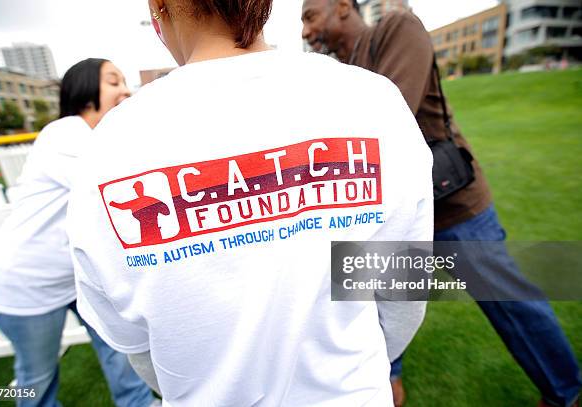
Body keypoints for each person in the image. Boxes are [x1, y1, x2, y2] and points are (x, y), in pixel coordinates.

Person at [65, 0, 433, 405]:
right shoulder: (369, 98)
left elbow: (131, 339)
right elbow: (402, 283)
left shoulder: (110, 144)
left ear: (158, 7)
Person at [300, 1, 581, 407]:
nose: (306, 32)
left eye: (310, 17)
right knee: (380, 303)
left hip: (451, 204)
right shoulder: (342, 68)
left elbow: (386, 122)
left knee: (510, 303)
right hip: (392, 217)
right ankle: (386, 381)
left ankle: (565, 391)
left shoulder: (395, 28)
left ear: (343, 7)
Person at [0, 58, 158, 407]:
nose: (125, 89)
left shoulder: (100, 137)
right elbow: (113, 188)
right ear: (85, 89)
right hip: (24, 285)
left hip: (74, 279)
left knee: (119, 353)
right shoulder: (66, 132)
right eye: (113, 81)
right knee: (37, 381)